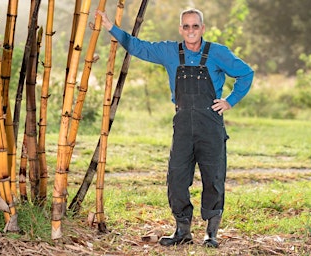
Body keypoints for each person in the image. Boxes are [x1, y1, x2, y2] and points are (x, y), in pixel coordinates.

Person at [96, 8, 254, 248]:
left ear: (202, 28)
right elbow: (139, 47)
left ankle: (211, 233)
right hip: (182, 124)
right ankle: (182, 230)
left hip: (210, 124)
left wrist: (229, 101)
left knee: (213, 177)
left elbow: (246, 74)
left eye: (195, 26)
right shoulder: (169, 51)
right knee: (177, 177)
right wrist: (110, 27)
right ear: (181, 29)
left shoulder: (217, 52)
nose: (191, 30)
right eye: (186, 26)